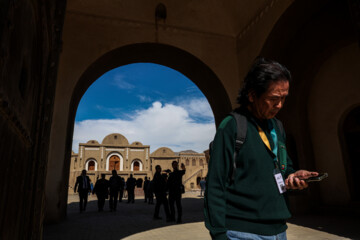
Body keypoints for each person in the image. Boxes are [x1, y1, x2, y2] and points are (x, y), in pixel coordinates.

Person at [204, 57, 319, 240]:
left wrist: (293, 175)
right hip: (242, 233)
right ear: (252, 95)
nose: (280, 105)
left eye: (283, 98)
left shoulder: (278, 126)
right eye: (273, 99)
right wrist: (219, 234)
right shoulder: (232, 126)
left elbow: (283, 167)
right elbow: (215, 184)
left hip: (279, 231)